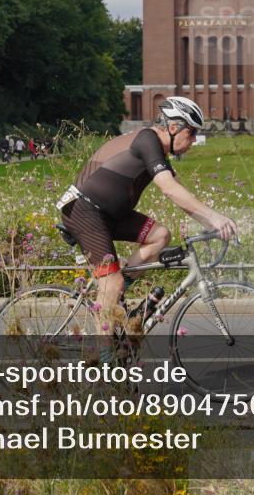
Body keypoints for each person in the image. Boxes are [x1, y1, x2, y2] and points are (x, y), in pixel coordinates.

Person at [56, 96, 237, 335]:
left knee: (160, 235)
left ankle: (119, 300)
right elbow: (169, 189)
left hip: (110, 214)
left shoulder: (156, 149)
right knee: (112, 283)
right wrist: (215, 218)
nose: (194, 140)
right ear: (174, 127)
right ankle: (102, 362)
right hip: (84, 211)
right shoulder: (147, 140)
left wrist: (211, 224)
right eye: (192, 132)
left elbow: (179, 193)